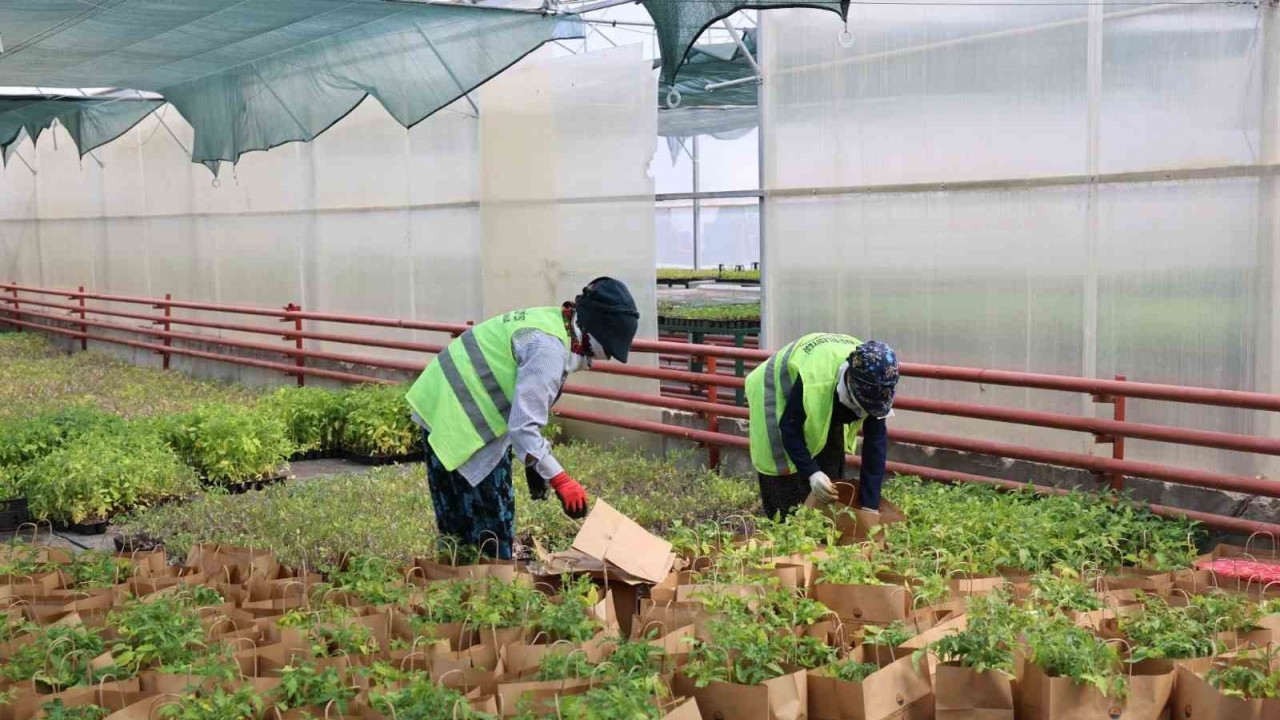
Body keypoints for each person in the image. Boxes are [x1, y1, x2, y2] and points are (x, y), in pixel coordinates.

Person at [404, 277, 640, 560]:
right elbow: (523, 428)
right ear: (596, 333)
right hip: (458, 418)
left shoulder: (552, 322)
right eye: (609, 350)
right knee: (490, 528)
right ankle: (488, 587)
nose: (608, 358)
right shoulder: (549, 349)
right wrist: (560, 479)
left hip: (439, 402)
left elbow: (522, 407)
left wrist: (534, 464)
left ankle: (455, 579)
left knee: (457, 527)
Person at [745, 334, 899, 519]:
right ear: (850, 382)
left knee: (829, 475)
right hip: (773, 389)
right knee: (782, 475)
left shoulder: (878, 380)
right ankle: (783, 530)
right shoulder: (816, 382)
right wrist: (812, 473)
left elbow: (875, 446)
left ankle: (821, 524)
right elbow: (789, 426)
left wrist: (870, 505)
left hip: (823, 382)